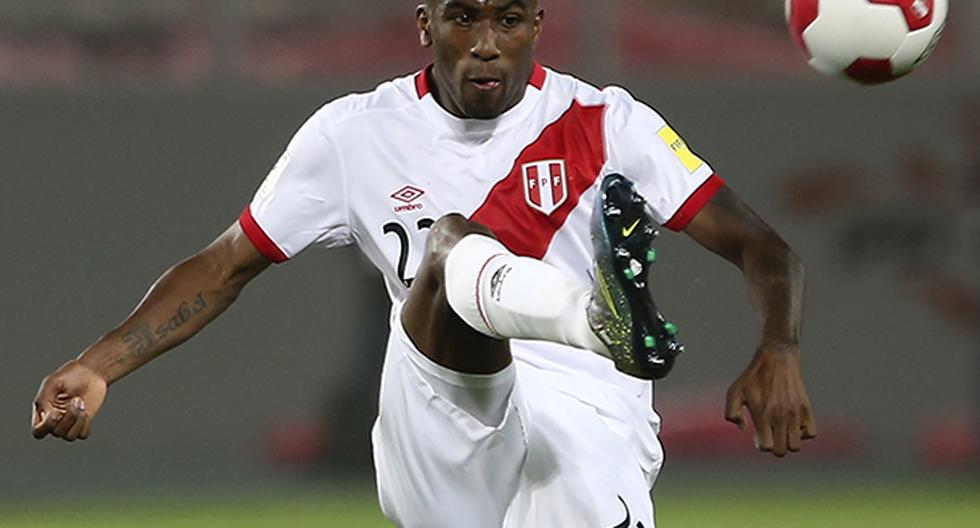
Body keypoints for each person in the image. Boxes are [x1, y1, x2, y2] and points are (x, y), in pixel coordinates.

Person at [31, 1, 816, 526]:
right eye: (462, 16)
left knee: (457, 253)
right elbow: (224, 265)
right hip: (440, 415)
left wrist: (779, 345)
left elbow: (761, 246)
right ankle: (598, 317)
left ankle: (597, 326)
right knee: (449, 248)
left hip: (588, 426)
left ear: (538, 24)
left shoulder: (607, 123)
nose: (484, 42)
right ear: (424, 23)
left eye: (508, 19)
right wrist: (100, 365)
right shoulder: (354, 136)